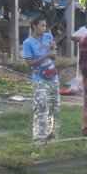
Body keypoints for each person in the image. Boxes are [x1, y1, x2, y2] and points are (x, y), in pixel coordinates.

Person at [23, 14, 60, 145]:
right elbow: (30, 63)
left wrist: (54, 50)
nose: (44, 28)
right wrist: (47, 55)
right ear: (34, 27)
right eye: (41, 25)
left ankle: (52, 136)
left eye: (45, 25)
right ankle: (39, 137)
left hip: (53, 77)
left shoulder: (49, 37)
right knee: (41, 107)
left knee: (55, 107)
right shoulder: (28, 43)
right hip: (39, 78)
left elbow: (54, 57)